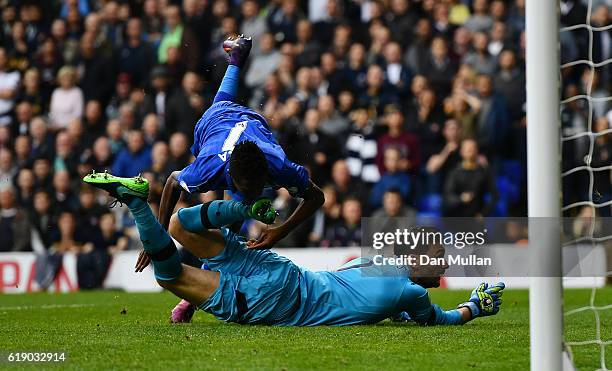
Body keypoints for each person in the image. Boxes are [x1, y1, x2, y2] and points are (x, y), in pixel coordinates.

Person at [83, 173, 505, 326]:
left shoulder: (371, 262)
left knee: (179, 224)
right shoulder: (411, 294)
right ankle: (138, 204)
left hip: (282, 271)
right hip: (278, 302)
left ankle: (241, 207)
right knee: (170, 275)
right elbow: (441, 319)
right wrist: (475, 306)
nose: (441, 274)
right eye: (439, 265)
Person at [136, 35, 325, 322]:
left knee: (232, 222)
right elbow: (173, 181)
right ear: (230, 178)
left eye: (256, 188)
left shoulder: (278, 164)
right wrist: (158, 238)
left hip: (250, 123)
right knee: (232, 220)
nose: (251, 196)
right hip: (212, 126)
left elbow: (317, 196)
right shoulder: (209, 168)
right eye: (245, 189)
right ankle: (236, 58)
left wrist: (280, 230)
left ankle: (237, 58)